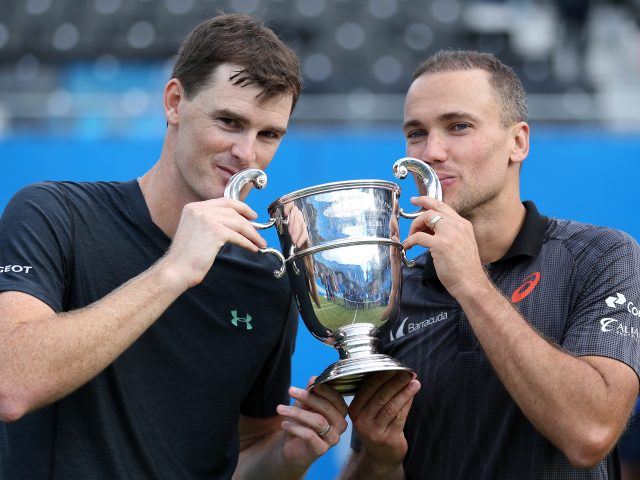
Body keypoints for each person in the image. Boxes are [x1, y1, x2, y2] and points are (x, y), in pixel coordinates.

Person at [0, 13, 348, 480]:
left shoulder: (266, 276)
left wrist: (290, 456)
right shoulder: (53, 214)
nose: (247, 154)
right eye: (229, 121)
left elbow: (248, 452)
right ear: (175, 102)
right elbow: (12, 383)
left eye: (269, 135)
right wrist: (174, 270)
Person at [339, 50, 640, 479]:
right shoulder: (394, 288)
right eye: (416, 133)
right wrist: (379, 458)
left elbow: (590, 433)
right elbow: (369, 468)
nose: (432, 151)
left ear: (517, 142)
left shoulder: (601, 256)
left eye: (459, 126)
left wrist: (472, 284)